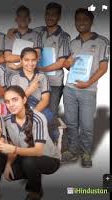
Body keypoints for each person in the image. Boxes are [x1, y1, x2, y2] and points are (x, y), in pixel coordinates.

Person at [0, 86, 60, 200]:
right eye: (7, 102)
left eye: (15, 99)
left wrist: (14, 150)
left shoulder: (38, 118)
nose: (11, 104)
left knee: (28, 161)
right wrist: (9, 164)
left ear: (24, 100)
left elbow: (38, 152)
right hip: (24, 155)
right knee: (11, 174)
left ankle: (36, 191)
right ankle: (32, 174)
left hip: (48, 159)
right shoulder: (7, 120)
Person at [61, 8, 109, 168]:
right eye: (78, 19)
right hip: (69, 89)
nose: (81, 23)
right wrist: (67, 65)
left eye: (84, 19)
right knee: (71, 123)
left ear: (91, 21)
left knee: (86, 124)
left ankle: (86, 152)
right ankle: (73, 150)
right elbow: (70, 67)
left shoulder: (102, 41)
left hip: (88, 91)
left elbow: (103, 68)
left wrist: (88, 83)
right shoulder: (72, 43)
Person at [36, 2, 70, 126]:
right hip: (38, 81)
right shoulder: (38, 32)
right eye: (48, 14)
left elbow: (61, 63)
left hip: (54, 83)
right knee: (35, 111)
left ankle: (51, 143)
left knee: (50, 114)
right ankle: (36, 142)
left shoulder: (64, 37)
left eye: (53, 15)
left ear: (59, 17)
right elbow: (23, 31)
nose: (50, 17)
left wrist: (41, 68)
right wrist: (11, 32)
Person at [4, 5, 39, 73]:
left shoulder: (36, 35)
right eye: (20, 16)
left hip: (28, 75)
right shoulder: (10, 35)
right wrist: (28, 58)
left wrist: (18, 66)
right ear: (16, 19)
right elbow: (7, 57)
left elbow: (37, 56)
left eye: (25, 16)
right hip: (11, 75)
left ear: (29, 19)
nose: (23, 19)